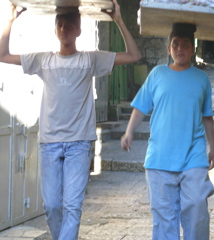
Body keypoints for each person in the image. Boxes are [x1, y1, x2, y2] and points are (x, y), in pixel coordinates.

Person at [0, 1, 141, 239]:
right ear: (55, 29)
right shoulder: (43, 60)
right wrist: (11, 20)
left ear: (79, 30)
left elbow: (134, 55)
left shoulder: (90, 59)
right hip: (49, 144)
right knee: (53, 206)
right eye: (60, 25)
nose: (63, 29)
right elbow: (2, 54)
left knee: (72, 206)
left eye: (69, 25)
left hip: (79, 144)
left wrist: (118, 20)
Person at [120, 22, 214, 240]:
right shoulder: (157, 74)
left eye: (185, 45)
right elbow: (140, 106)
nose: (180, 49)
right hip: (160, 158)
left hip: (194, 155)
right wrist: (129, 132)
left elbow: (207, 116)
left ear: (192, 49)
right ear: (168, 49)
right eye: (175, 44)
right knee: (164, 220)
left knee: (197, 210)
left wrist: (213, 148)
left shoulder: (202, 79)